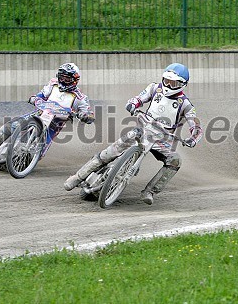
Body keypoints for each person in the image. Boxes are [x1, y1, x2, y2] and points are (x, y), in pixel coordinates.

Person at [63, 63, 203, 205]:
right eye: (167, 81)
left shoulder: (185, 104)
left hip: (162, 139)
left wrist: (193, 138)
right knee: (109, 153)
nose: (169, 85)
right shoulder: (154, 88)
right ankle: (78, 177)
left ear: (183, 84)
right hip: (142, 129)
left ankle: (150, 191)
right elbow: (139, 98)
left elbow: (195, 125)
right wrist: (133, 104)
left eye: (174, 83)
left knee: (175, 160)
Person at [0, 63, 95, 168]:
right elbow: (41, 95)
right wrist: (35, 98)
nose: (63, 80)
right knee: (9, 126)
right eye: (61, 77)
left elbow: (88, 113)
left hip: (52, 126)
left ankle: (21, 162)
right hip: (38, 115)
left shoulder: (80, 97)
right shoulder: (53, 84)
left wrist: (85, 116)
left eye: (67, 78)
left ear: (75, 80)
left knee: (38, 155)